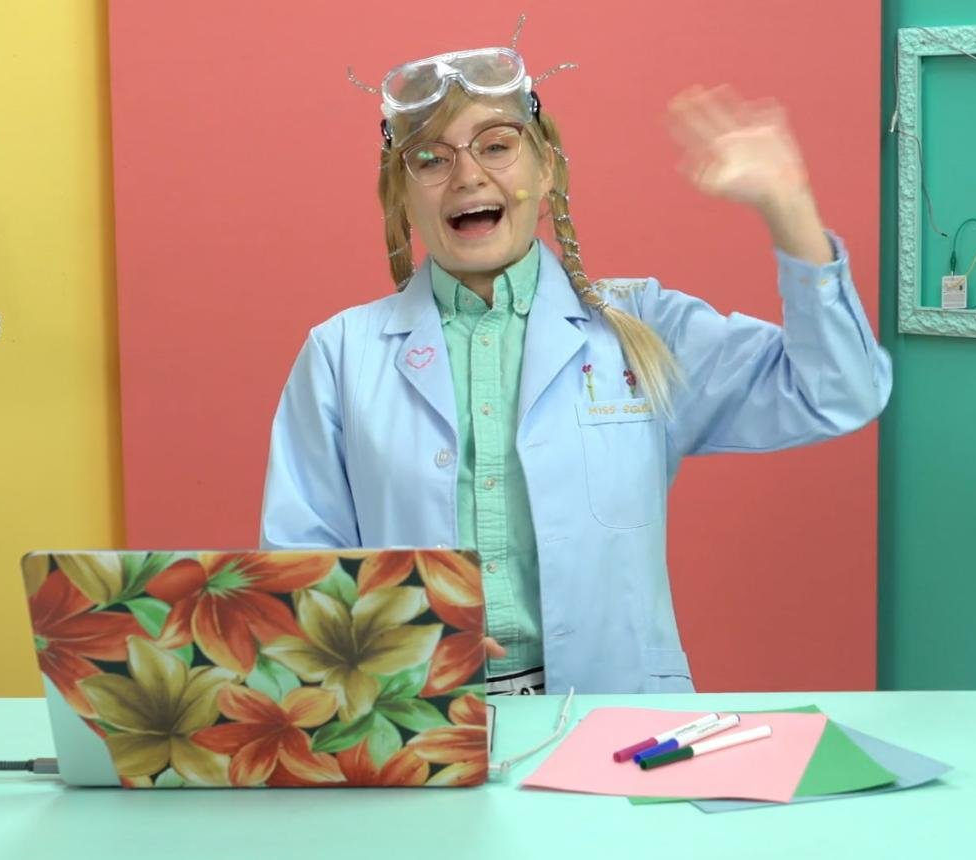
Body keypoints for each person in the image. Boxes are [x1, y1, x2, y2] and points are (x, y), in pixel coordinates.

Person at [261, 34, 891, 696]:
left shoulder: (643, 330)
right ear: (401, 195)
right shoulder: (340, 355)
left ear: (546, 170)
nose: (467, 175)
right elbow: (300, 572)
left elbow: (838, 393)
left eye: (496, 145)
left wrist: (789, 208)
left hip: (617, 714)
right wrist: (404, 640)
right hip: (420, 718)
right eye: (431, 159)